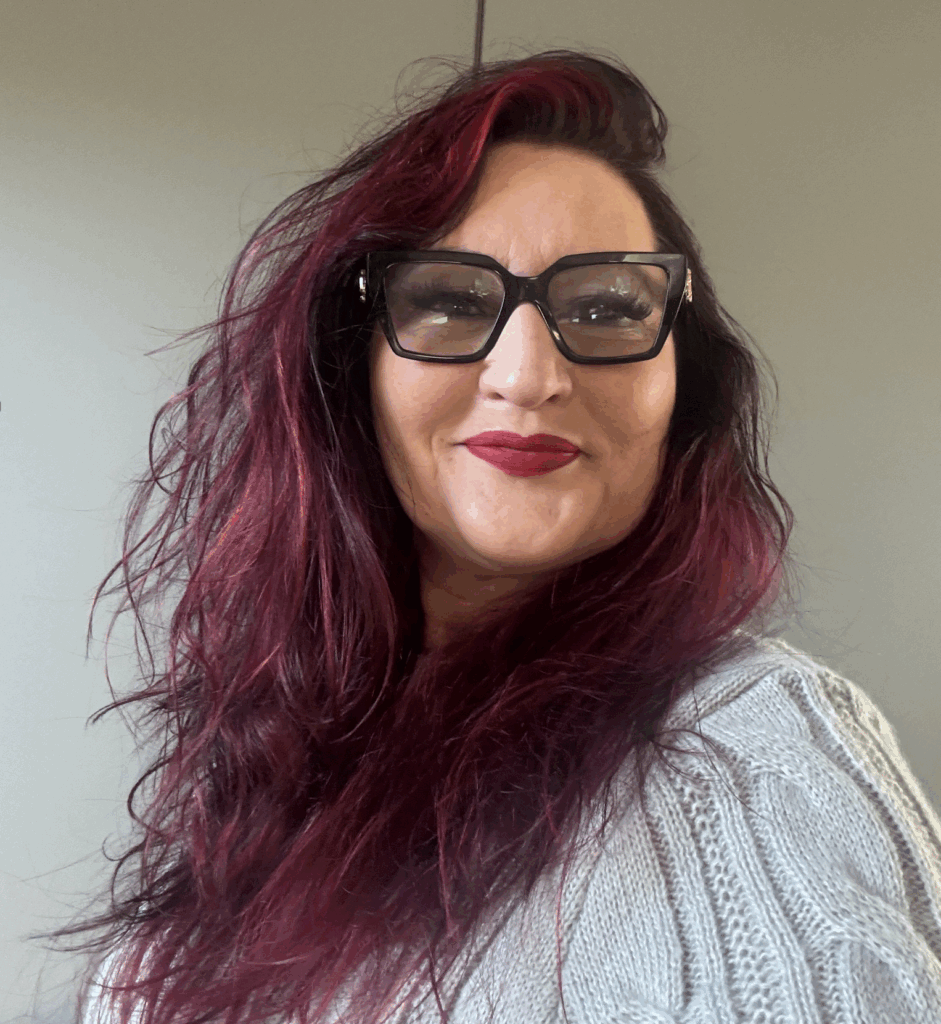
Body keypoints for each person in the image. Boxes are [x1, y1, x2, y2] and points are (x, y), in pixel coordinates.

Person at [35, 49, 941, 1024]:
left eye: (603, 308)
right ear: (355, 370)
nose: (526, 375)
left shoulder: (756, 753)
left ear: (683, 388)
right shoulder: (266, 770)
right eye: (452, 300)